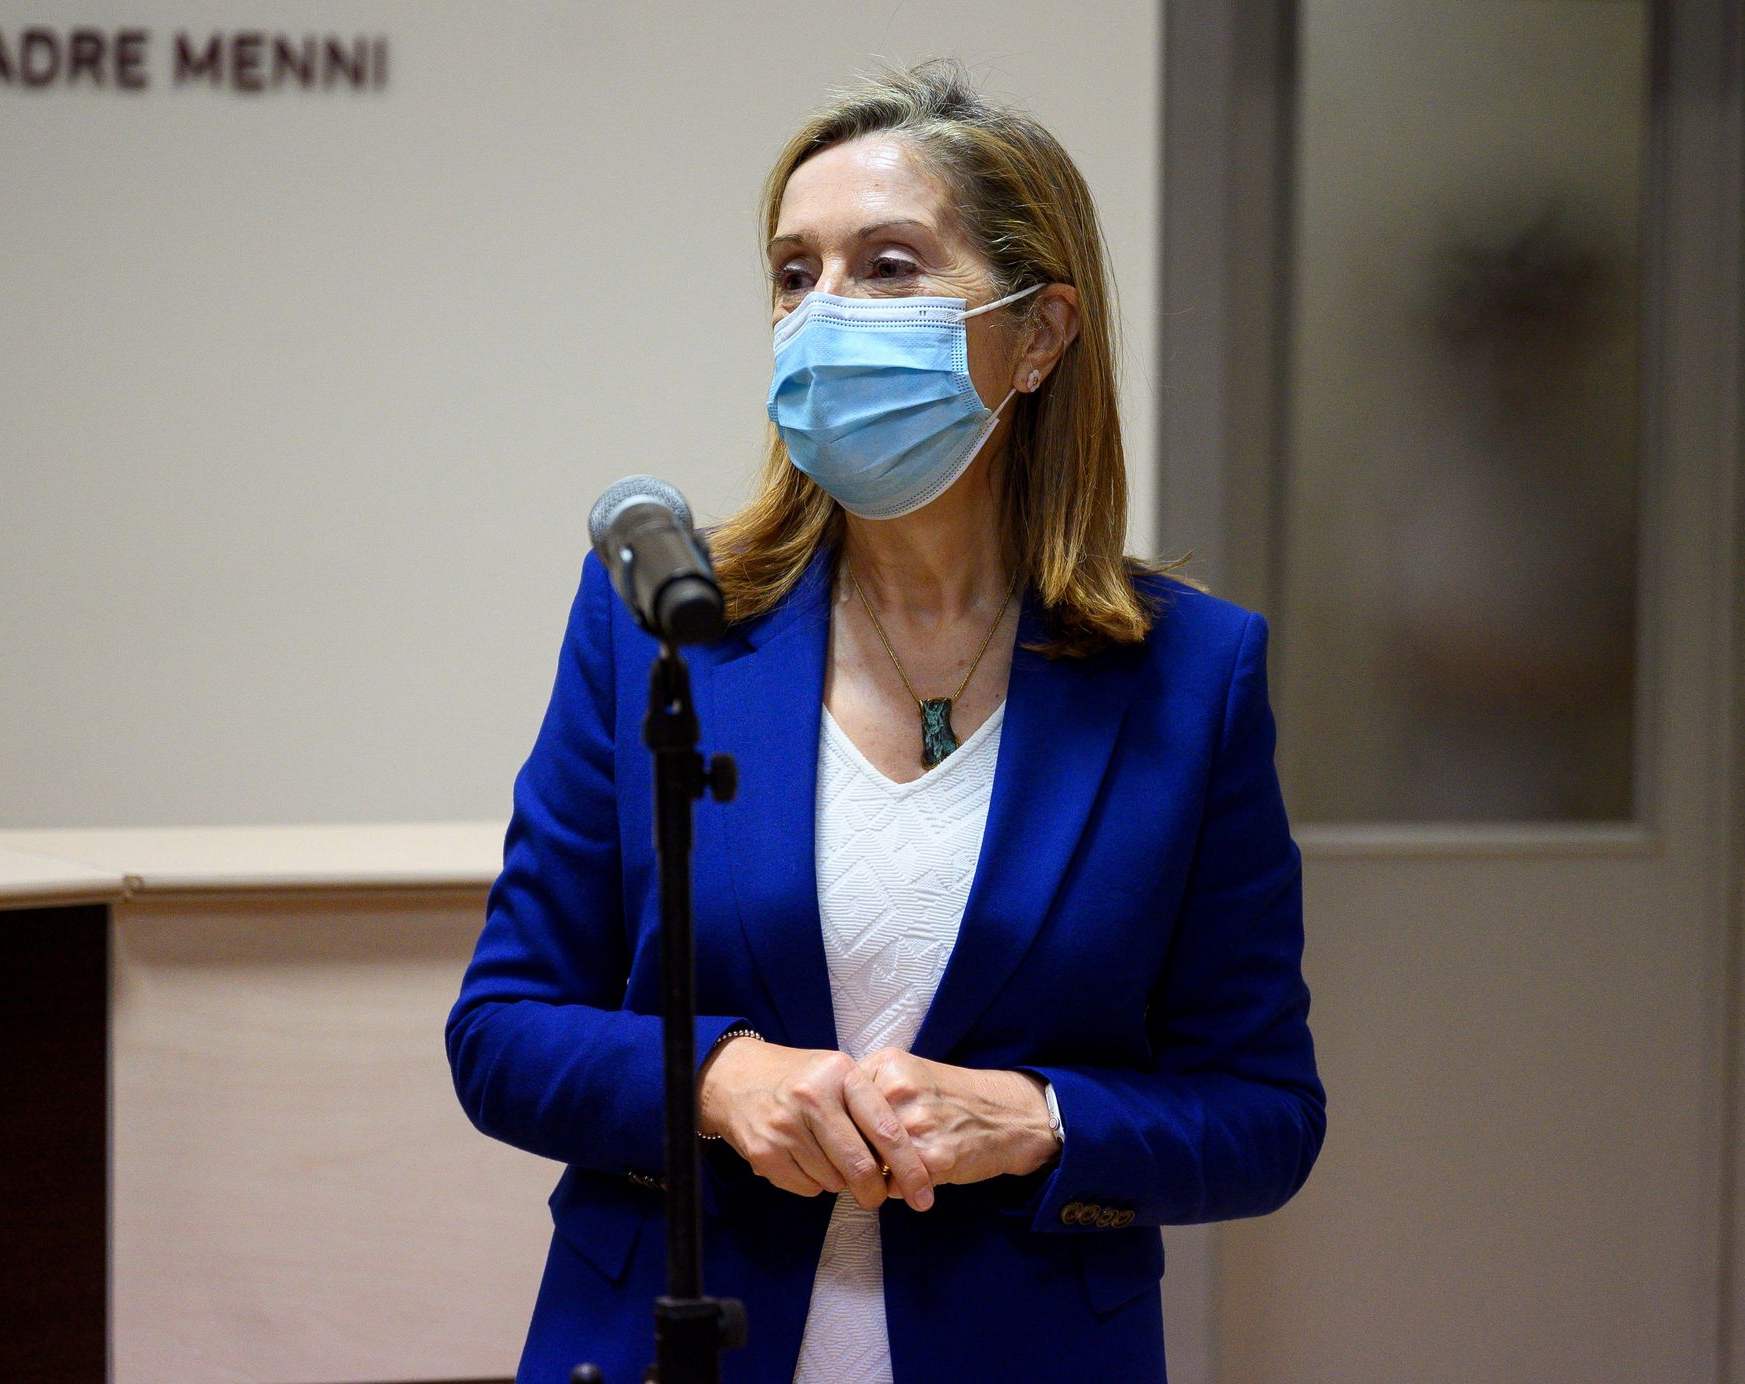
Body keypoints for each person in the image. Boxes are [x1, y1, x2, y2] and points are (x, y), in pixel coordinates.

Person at [445, 58, 1325, 1384]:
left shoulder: (1191, 676)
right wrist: (717, 1082)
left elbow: (1265, 1114)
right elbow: (501, 1029)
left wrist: (1037, 1117)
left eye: (889, 266)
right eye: (795, 275)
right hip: (672, 1342)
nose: (825, 314)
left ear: (1041, 334)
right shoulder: (660, 624)